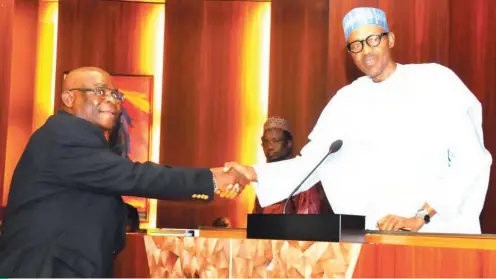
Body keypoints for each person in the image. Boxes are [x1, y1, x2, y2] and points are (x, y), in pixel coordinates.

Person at [224, 7, 492, 234]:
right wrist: (251, 173)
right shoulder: (346, 101)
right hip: (375, 240)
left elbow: (471, 161)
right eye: (356, 45)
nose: (366, 51)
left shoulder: (436, 81)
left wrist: (420, 217)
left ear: (391, 39)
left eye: (373, 40)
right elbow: (310, 164)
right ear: (350, 53)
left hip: (437, 234)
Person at [0, 67, 248, 277]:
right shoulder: (64, 136)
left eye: (115, 94)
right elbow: (135, 176)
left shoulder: (79, 138)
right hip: (46, 269)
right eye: (99, 92)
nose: (111, 99)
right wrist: (214, 178)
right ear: (68, 99)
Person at [253, 117, 322, 214]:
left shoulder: (302, 175)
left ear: (289, 143)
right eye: (266, 142)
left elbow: (308, 223)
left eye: (275, 141)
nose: (270, 147)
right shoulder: (265, 176)